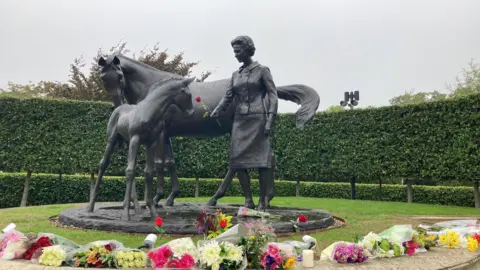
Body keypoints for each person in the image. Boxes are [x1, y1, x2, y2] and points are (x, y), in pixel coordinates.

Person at [210, 35, 278, 210]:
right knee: (237, 160)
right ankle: (248, 199)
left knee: (262, 161)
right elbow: (228, 96)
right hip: (240, 121)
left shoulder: (262, 70)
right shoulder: (235, 75)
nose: (235, 55)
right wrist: (218, 109)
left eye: (238, 51)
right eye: (234, 51)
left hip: (259, 118)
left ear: (248, 50)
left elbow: (272, 95)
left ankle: (263, 200)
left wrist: (270, 119)